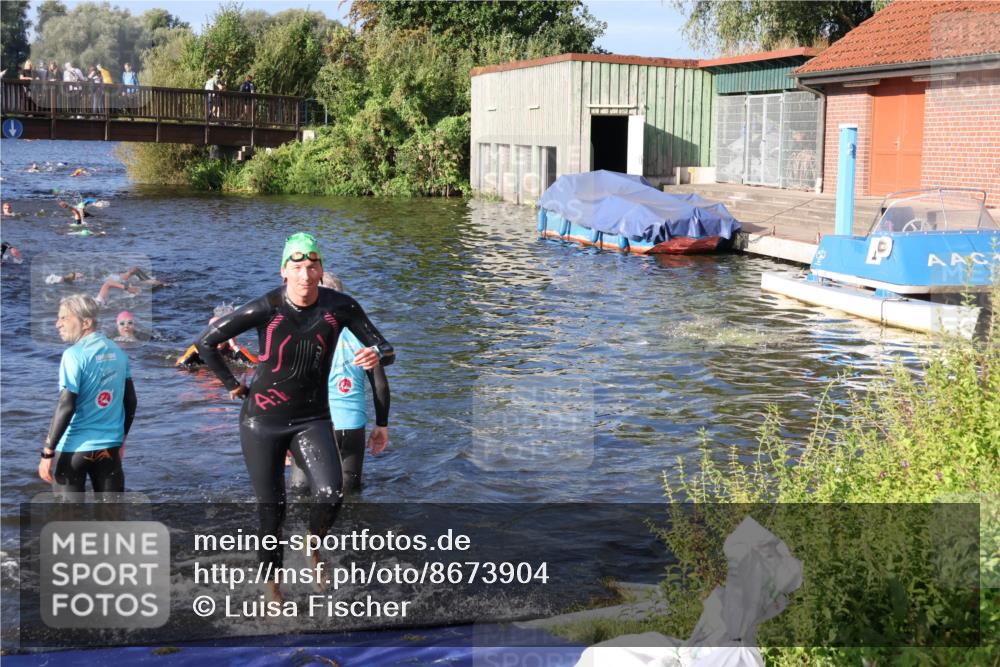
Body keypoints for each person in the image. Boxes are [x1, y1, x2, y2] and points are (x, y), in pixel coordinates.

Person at [195, 232, 394, 601]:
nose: (306, 274)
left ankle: (312, 544)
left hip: (312, 419)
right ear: (284, 271)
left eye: (312, 266)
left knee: (331, 492)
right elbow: (206, 341)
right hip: (261, 423)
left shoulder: (340, 307)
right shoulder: (266, 308)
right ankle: (273, 591)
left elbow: (385, 347)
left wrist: (376, 356)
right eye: (298, 267)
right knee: (272, 511)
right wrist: (232, 386)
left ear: (321, 270)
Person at [289, 273, 390, 495]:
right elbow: (380, 386)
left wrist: (284, 432)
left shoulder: (300, 333)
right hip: (350, 425)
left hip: (310, 425)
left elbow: (290, 386)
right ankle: (354, 530)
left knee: (300, 492)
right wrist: (381, 425)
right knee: (350, 493)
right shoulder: (363, 336)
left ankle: (299, 530)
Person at [39, 294, 137, 496]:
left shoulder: (73, 355)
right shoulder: (118, 352)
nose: (58, 324)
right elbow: (131, 402)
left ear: (86, 322)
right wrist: (122, 440)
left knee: (68, 522)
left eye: (64, 318)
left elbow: (66, 405)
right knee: (112, 520)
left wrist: (47, 452)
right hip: (109, 451)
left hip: (74, 451)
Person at [177, 313, 257, 369]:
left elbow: (253, 366)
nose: (217, 338)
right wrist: (196, 353)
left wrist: (234, 347)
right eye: (213, 334)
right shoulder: (198, 348)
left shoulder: (232, 349)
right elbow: (180, 367)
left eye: (220, 333)